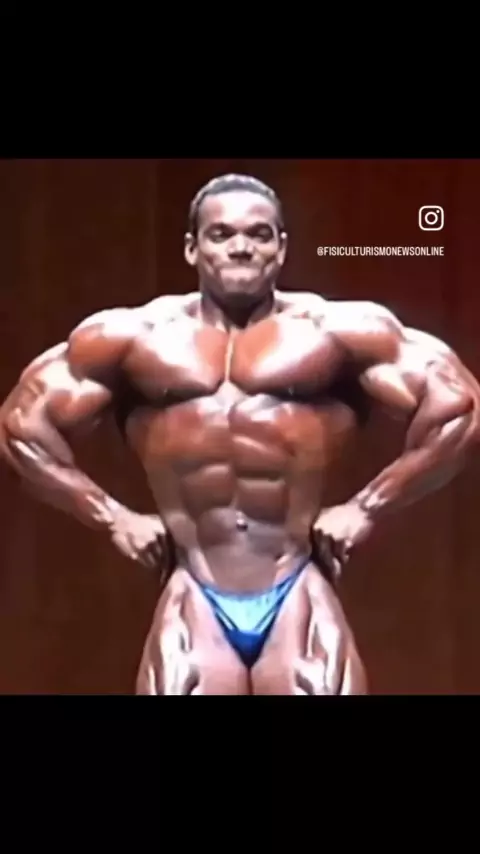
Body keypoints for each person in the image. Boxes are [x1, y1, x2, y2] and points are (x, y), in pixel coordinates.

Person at [1, 173, 479, 695]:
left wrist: (368, 506)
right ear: (192, 248)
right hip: (195, 589)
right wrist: (111, 516)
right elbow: (21, 428)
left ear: (281, 248)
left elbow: (459, 411)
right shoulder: (134, 339)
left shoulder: (335, 333)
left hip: (295, 583)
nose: (241, 247)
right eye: (222, 234)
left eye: (259, 234)